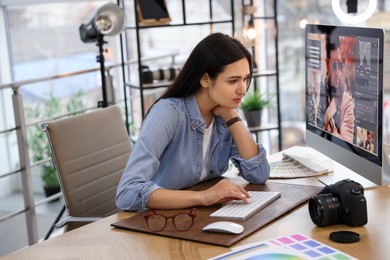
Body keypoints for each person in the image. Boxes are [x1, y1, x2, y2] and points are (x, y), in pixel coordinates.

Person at [115, 33, 270, 212]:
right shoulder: (168, 113)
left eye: (245, 79)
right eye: (233, 81)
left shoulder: (224, 111)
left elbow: (259, 174)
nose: (242, 89)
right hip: (161, 221)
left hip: (195, 217)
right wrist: (203, 197)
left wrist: (232, 116)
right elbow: (127, 193)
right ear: (205, 79)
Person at [323, 35, 355, 143]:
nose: (338, 73)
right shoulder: (320, 92)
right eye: (334, 66)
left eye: (340, 65)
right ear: (327, 64)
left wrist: (328, 119)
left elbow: (346, 145)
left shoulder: (347, 101)